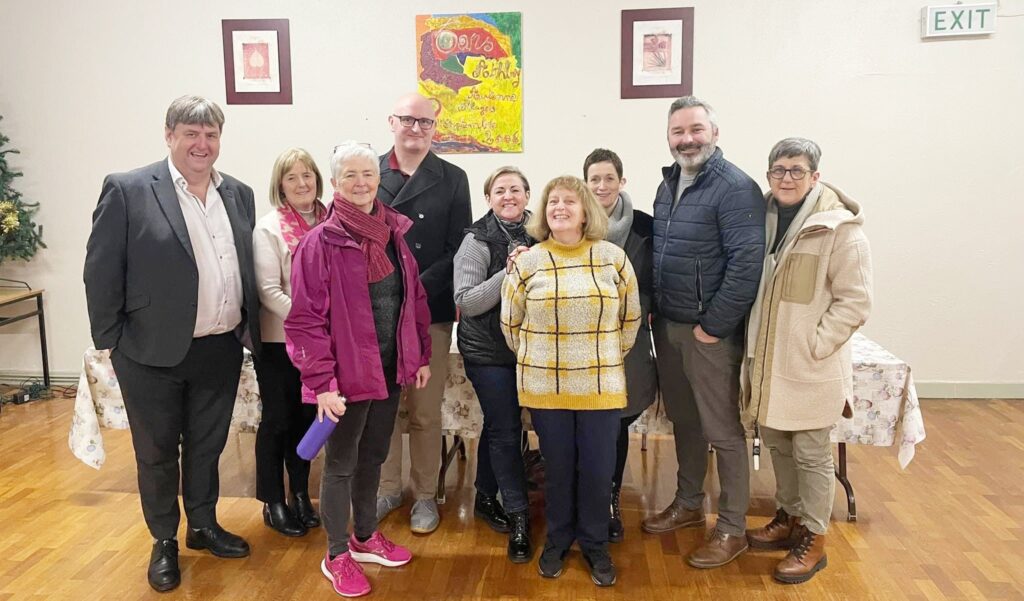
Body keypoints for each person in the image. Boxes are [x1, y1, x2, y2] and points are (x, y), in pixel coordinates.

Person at [84, 95, 261, 592]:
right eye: (190, 133)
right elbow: (100, 270)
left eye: (210, 135)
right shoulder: (129, 189)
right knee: (158, 452)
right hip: (149, 352)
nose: (201, 144)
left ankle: (203, 525)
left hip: (220, 347)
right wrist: (112, 343)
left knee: (207, 448)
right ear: (169, 136)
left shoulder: (239, 194)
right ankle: (164, 540)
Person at [285, 141, 432, 598]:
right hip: (345, 380)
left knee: (374, 457)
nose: (362, 183)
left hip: (387, 371)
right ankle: (335, 554)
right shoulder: (319, 244)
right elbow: (305, 320)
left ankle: (364, 536)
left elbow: (415, 300)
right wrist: (322, 383)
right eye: (351, 175)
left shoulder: (393, 234)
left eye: (368, 174)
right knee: (341, 466)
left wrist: (419, 354)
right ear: (335, 183)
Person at [641, 96, 766, 569]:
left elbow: (745, 265)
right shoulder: (667, 183)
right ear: (669, 137)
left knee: (723, 431)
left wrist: (714, 327)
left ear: (714, 132)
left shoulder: (735, 188)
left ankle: (733, 528)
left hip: (708, 333)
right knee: (686, 423)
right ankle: (689, 503)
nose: (687, 139)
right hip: (668, 326)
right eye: (678, 132)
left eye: (695, 129)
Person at [743, 138, 873, 584]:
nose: (786, 179)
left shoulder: (840, 229)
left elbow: (855, 302)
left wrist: (815, 345)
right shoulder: (761, 219)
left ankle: (814, 539)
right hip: (767, 362)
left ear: (815, 176)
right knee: (778, 444)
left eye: (796, 170)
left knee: (812, 453)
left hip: (810, 365)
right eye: (778, 170)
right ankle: (791, 517)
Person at [502, 175, 640, 587]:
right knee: (558, 470)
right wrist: (540, 358)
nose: (559, 207)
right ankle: (558, 540)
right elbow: (511, 324)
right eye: (552, 202)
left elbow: (629, 319)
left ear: (585, 212)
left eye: (569, 201)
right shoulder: (527, 262)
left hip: (600, 385)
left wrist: (604, 358)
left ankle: (595, 544)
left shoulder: (612, 258)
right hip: (546, 387)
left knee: (598, 471)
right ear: (543, 213)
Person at [376, 92, 472, 534]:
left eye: (426, 123)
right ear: (391, 121)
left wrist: (414, 286)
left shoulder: (453, 178)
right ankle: (386, 488)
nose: (416, 130)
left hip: (427, 310)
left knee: (425, 409)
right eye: (408, 121)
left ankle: (426, 495)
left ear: (436, 128)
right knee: (383, 406)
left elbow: (458, 248)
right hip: (375, 310)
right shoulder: (367, 173)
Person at [453, 166, 536, 562]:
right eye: (499, 190)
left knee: (499, 423)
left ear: (526, 195)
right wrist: (509, 273)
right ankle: (520, 516)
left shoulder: (542, 233)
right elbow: (467, 302)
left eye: (515, 189)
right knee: (506, 429)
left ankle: (485, 494)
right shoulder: (476, 241)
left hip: (529, 350)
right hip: (487, 351)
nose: (508, 196)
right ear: (488, 198)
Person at [582, 149, 657, 543]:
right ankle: (585, 498)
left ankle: (609, 498)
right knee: (585, 422)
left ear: (622, 182)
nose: (602, 186)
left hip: (628, 341)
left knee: (618, 420)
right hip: (581, 344)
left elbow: (657, 282)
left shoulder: (645, 226)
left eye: (609, 178)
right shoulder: (572, 224)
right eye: (594, 179)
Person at [252, 148, 327, 537]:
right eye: (292, 177)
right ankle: (273, 501)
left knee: (305, 420)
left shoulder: (332, 221)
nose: (302, 184)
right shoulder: (270, 228)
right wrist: (309, 320)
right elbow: (267, 290)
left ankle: (300, 493)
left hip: (320, 343)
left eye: (308, 176)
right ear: (280, 185)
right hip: (280, 341)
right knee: (278, 421)